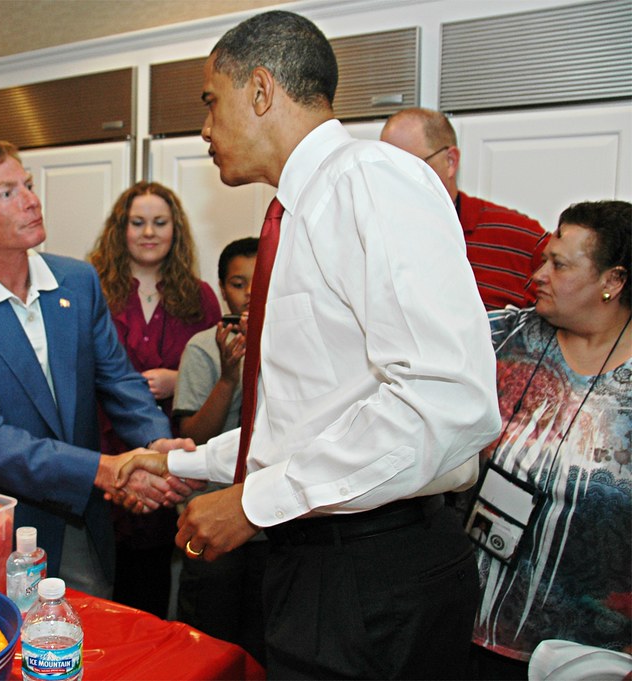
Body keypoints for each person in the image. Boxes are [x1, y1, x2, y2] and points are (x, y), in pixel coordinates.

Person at [118, 11, 502, 679]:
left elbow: (444, 402)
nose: (204, 129)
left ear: (260, 91)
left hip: (373, 566)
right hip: (318, 556)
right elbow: (315, 409)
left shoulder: (371, 180)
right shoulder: (296, 210)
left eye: (212, 102)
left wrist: (253, 501)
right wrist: (194, 460)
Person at [0, 141, 196, 599]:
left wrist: (156, 442)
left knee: (90, 641)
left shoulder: (77, 281)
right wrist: (107, 470)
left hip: (81, 517)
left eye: (29, 185)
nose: (31, 200)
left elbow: (117, 379)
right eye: (6, 193)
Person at [468, 200, 631, 680]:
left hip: (583, 657)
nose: (537, 274)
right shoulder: (504, 340)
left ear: (613, 281)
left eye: (559, 265)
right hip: (465, 627)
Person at [88, 181, 221, 618]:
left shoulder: (198, 296)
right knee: (93, 572)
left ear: (175, 229)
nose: (149, 233)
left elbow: (224, 369)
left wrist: (178, 379)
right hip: (101, 447)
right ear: (120, 229)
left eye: (159, 223)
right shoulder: (93, 288)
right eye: (138, 222)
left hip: (172, 452)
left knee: (152, 575)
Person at [172, 236, 267, 665]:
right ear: (222, 288)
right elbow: (194, 435)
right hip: (211, 519)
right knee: (209, 641)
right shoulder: (202, 347)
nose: (248, 293)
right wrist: (228, 378)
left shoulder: (292, 345)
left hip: (275, 522)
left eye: (258, 280)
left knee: (262, 640)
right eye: (237, 283)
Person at [381, 107, 547, 310]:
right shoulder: (373, 234)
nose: (394, 180)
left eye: (410, 167)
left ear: (450, 161)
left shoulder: (517, 238)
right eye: (385, 169)